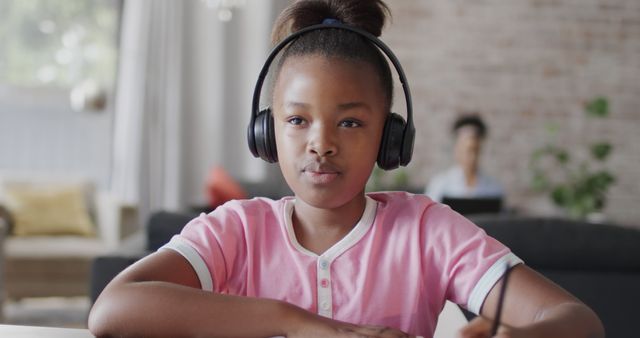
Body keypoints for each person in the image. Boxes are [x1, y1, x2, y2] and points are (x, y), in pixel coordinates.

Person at [88, 1, 604, 338]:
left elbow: (578, 322)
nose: (322, 144)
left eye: (352, 122)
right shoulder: (237, 230)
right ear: (267, 132)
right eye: (297, 120)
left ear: (390, 137)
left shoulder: (429, 231)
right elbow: (113, 312)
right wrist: (295, 323)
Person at [425, 114, 503, 203]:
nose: (472, 157)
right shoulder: (440, 185)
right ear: (456, 149)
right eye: (467, 150)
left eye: (475, 150)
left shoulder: (494, 188)